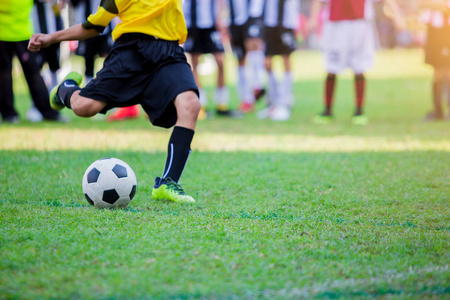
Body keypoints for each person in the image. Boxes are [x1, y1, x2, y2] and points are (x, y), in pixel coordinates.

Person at [28, 0, 201, 203]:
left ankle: (167, 183)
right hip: (131, 51)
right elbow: (93, 26)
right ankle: (66, 89)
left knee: (190, 104)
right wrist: (51, 38)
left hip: (169, 52)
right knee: (84, 107)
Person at [309, 0, 404, 125]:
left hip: (359, 25)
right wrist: (313, 18)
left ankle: (359, 111)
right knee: (331, 67)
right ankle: (327, 110)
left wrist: (397, 16)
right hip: (336, 25)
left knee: (360, 67)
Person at [0, 0, 67, 124]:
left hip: (24, 34)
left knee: (34, 74)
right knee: (4, 77)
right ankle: (8, 114)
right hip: (3, 34)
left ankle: (48, 112)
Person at [183, 0, 240, 118]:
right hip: (193, 24)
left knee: (221, 61)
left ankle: (222, 104)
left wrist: (220, 18)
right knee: (194, 63)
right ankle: (201, 104)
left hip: (212, 25)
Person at [258, 0, 300, 121]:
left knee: (285, 59)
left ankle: (285, 102)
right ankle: (274, 101)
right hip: (269, 22)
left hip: (286, 22)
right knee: (267, 62)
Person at [225, 0, 266, 113]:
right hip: (234, 20)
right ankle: (246, 99)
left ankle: (257, 85)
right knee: (240, 59)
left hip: (253, 16)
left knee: (254, 46)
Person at [419, 0, 450, 121]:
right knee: (437, 71)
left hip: (446, 30)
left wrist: (431, 4)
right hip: (434, 30)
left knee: (447, 69)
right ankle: (438, 109)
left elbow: (445, 6)